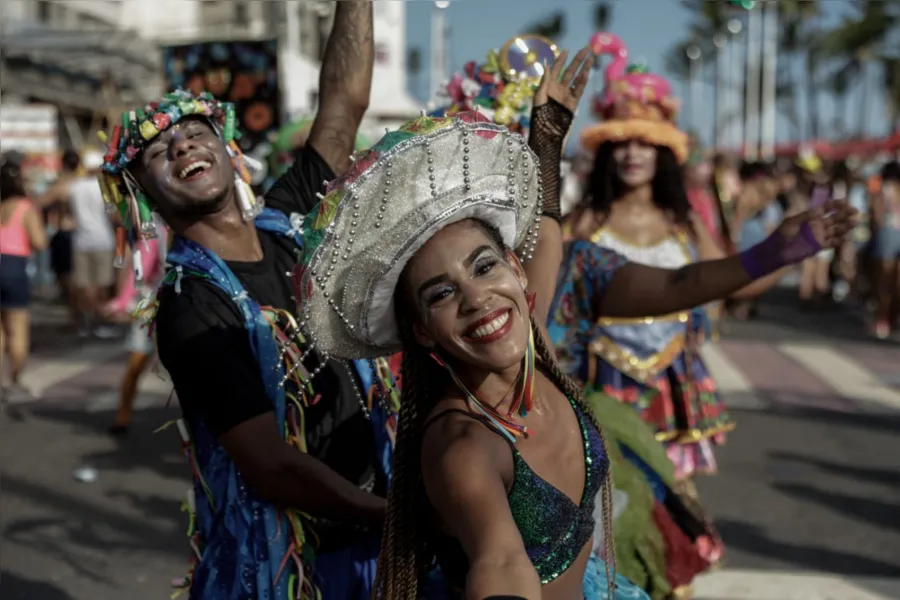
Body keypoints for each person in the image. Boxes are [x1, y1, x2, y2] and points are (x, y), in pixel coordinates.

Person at [292, 48, 855, 600]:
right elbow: (502, 561)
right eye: (441, 294)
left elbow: (562, 238)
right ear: (418, 328)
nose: (477, 299)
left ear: (516, 265)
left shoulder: (527, 331)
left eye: (485, 265)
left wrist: (546, 142)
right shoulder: (464, 441)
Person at [95, 3, 399, 599]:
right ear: (145, 196)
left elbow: (341, 107)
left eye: (194, 133)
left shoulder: (288, 222)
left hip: (378, 531)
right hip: (302, 570)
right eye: (160, 153)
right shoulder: (192, 308)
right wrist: (390, 517)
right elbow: (270, 466)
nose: (182, 148)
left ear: (228, 148)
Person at [104, 215, 168, 435]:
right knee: (136, 362)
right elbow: (139, 270)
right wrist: (122, 301)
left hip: (183, 307)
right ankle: (123, 414)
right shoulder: (156, 230)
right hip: (154, 306)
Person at [0, 155, 48, 403]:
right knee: (17, 328)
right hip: (14, 266)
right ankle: (15, 380)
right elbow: (39, 242)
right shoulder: (24, 207)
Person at [38, 149, 81, 326]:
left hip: (65, 232)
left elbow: (40, 202)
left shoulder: (61, 185)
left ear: (63, 164)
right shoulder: (82, 182)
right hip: (80, 233)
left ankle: (76, 316)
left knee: (66, 276)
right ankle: (80, 315)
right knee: (74, 276)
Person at [872, 160, 900, 338]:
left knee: (885, 281)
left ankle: (883, 320)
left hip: (888, 234)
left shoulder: (883, 189)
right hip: (894, 232)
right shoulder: (892, 189)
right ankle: (890, 318)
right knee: (894, 282)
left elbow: (877, 213)